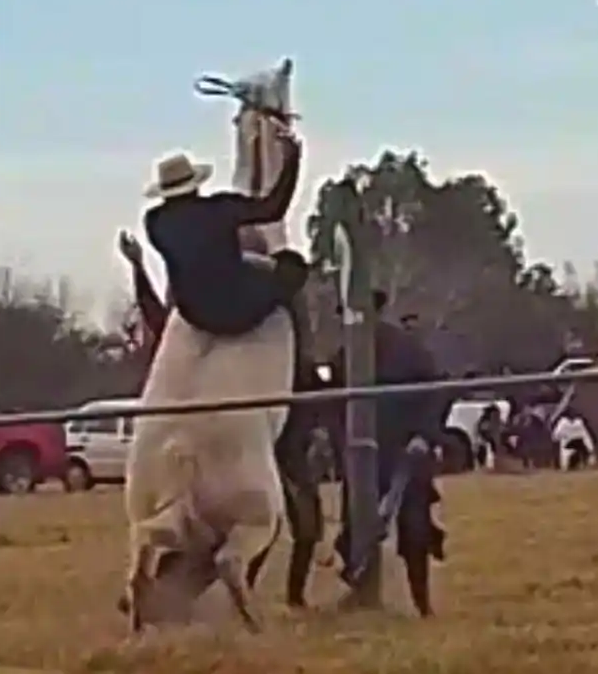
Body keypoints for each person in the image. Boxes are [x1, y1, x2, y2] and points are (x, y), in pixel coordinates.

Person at [116, 227, 324, 609]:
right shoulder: (275, 303)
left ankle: (180, 593)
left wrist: (139, 268)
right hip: (261, 421)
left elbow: (159, 320)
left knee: (204, 513)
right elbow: (301, 358)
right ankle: (201, 592)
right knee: (265, 519)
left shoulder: (199, 298)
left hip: (212, 419)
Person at [326, 290, 447, 617]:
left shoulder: (410, 351)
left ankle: (423, 605)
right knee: (356, 532)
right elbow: (334, 407)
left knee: (415, 531)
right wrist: (342, 447)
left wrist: (424, 434)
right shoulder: (343, 357)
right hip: (363, 458)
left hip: (406, 451)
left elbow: (435, 393)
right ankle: (361, 594)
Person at [141, 130, 306, 337]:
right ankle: (303, 357)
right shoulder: (219, 209)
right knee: (292, 265)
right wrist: (292, 162)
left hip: (194, 313)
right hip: (237, 307)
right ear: (194, 184)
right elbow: (273, 209)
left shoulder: (154, 223)